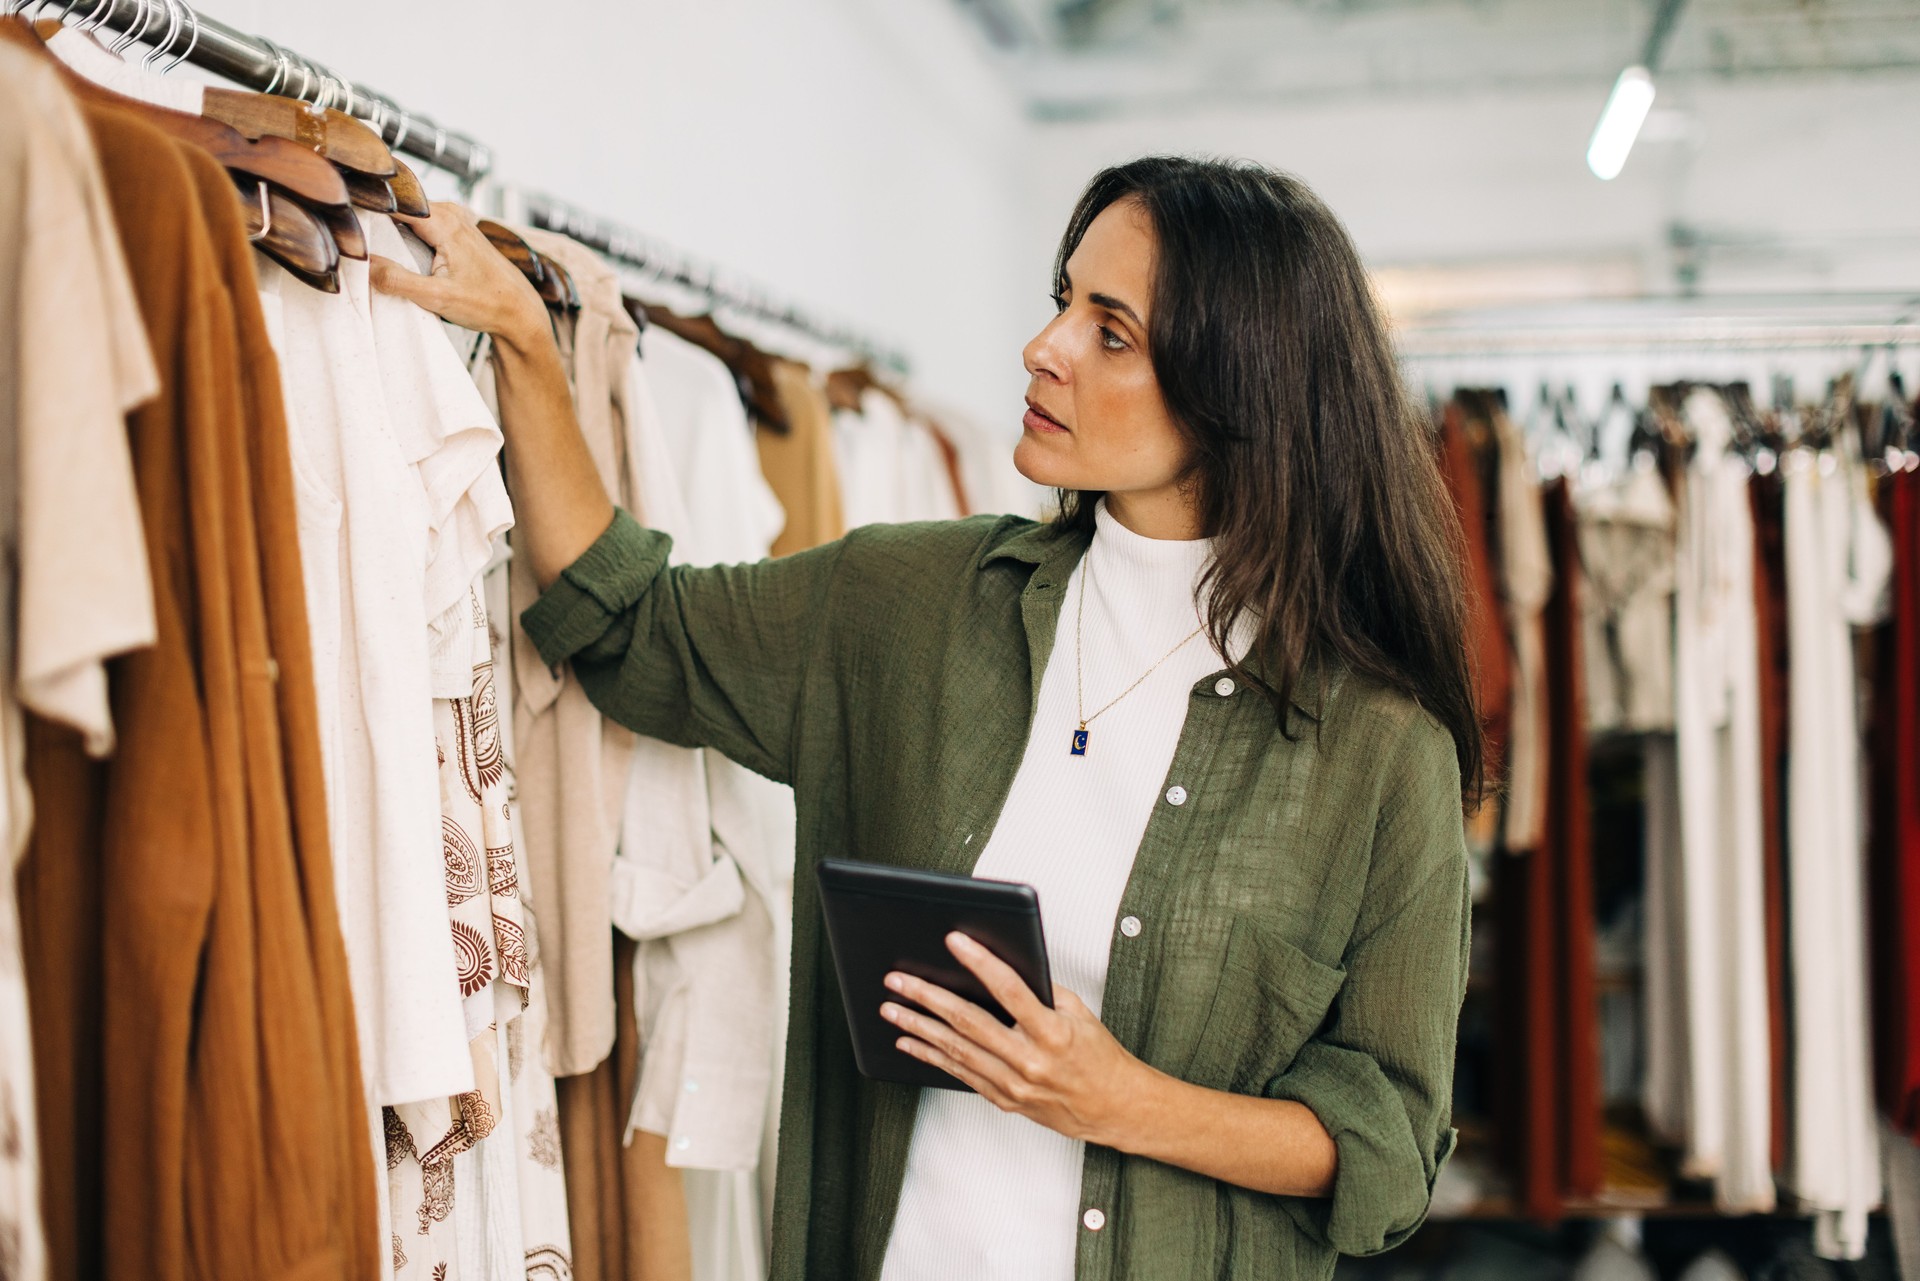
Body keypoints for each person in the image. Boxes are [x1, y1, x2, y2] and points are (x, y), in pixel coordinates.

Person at [370, 155, 1477, 1281]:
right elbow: (631, 627)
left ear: (1243, 390)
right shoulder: (912, 608)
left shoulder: (1380, 756)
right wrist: (523, 344)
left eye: (1112, 331)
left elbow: (1387, 1151)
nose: (1043, 348)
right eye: (1063, 302)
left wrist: (1121, 1103)